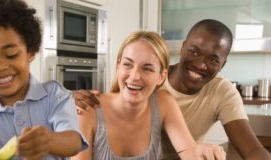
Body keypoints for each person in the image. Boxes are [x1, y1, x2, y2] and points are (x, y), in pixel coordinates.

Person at [73, 19, 271, 159]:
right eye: (195, 51)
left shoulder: (166, 102)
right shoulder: (94, 110)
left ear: (161, 75)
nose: (201, 65)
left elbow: (191, 152)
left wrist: (202, 152)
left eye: (147, 68)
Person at [0, 0, 87, 159]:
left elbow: (74, 141)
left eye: (11, 55)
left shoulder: (54, 95)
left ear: (31, 52)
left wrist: (48, 140)